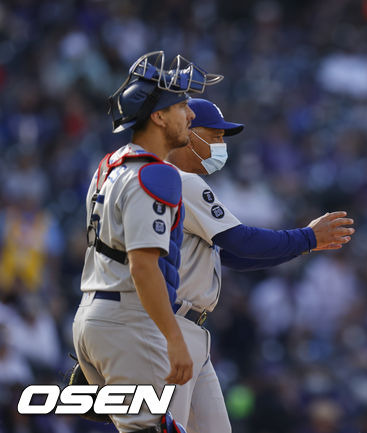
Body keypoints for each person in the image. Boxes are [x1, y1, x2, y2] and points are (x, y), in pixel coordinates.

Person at [164, 98, 355, 433]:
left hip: (190, 329)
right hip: (173, 328)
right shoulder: (179, 180)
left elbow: (234, 257)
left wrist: (306, 245)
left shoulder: (183, 183)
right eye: (215, 135)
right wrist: (307, 238)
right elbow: (242, 242)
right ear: (188, 133)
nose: (221, 145)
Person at [72, 51, 221, 433]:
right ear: (158, 115)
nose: (190, 114)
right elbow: (142, 265)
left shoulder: (110, 165)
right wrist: (174, 338)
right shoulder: (156, 175)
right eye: (182, 105)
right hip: (131, 321)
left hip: (97, 313)